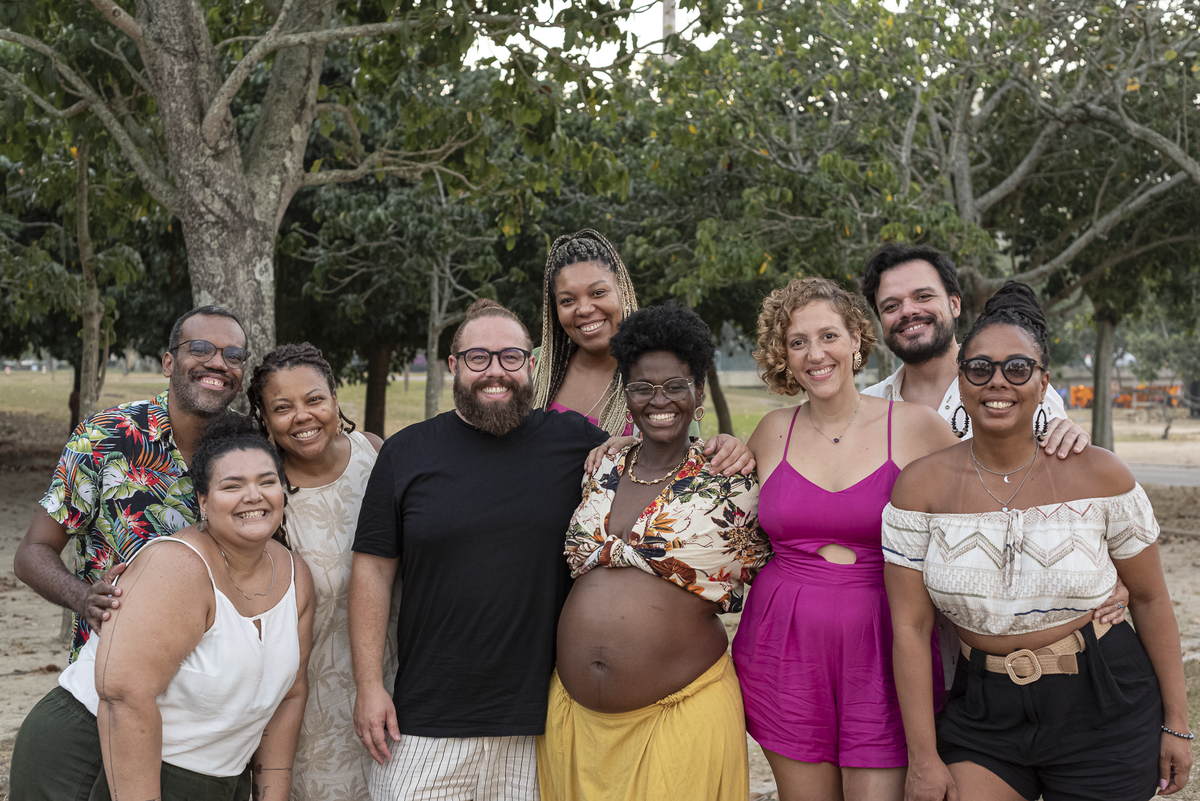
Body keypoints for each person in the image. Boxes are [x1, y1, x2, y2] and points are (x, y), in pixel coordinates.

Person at [883, 281, 1191, 801]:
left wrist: (1178, 723)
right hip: (983, 709)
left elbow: (1150, 597)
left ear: (1043, 381)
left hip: (1104, 700)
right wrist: (923, 757)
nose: (997, 381)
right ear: (960, 383)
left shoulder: (1101, 476)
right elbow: (909, 627)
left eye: (1017, 368)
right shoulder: (920, 486)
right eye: (979, 368)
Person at [348, 298, 613, 801]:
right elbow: (372, 571)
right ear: (453, 366)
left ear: (531, 365)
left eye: (511, 357)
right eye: (478, 358)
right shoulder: (408, 452)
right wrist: (369, 685)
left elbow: (654, 463)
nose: (496, 372)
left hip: (541, 723)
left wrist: (723, 448)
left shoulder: (577, 444)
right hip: (423, 720)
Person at [731, 277, 959, 801]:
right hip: (782, 649)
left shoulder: (917, 427)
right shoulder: (770, 431)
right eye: (797, 342)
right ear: (782, 355)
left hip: (883, 648)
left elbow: (991, 508)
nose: (816, 354)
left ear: (858, 338)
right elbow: (714, 514)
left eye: (829, 335)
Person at [9, 414, 315, 801]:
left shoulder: (295, 575)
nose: (253, 496)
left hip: (210, 776)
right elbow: (124, 698)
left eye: (267, 482)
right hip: (92, 756)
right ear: (203, 501)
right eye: (232, 485)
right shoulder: (177, 568)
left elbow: (290, 695)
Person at [859, 244, 1127, 684]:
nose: (908, 312)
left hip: (1000, 656)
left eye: (923, 297)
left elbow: (1088, 511)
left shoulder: (1021, 392)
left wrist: (1120, 577)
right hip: (895, 637)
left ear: (954, 303)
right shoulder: (866, 410)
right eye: (891, 305)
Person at [539, 305, 771, 800]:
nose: (658, 400)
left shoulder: (733, 479)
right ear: (628, 394)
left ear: (698, 392)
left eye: (675, 386)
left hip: (679, 716)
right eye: (643, 387)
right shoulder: (600, 466)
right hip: (575, 720)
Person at [13, 305, 248, 661]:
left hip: (224, 672)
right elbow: (32, 552)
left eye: (233, 355)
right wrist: (83, 598)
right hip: (114, 670)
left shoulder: (253, 445)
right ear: (168, 363)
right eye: (200, 349)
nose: (217, 363)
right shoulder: (104, 438)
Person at [249, 342, 401, 801]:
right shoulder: (262, 491)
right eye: (282, 407)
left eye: (314, 399)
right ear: (264, 419)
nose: (302, 416)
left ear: (335, 400)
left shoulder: (375, 454)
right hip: (304, 701)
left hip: (390, 679)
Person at [531, 228, 640, 435]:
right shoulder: (533, 366)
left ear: (623, 291)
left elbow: (689, 456)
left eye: (598, 293)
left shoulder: (659, 368)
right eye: (568, 300)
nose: (584, 309)